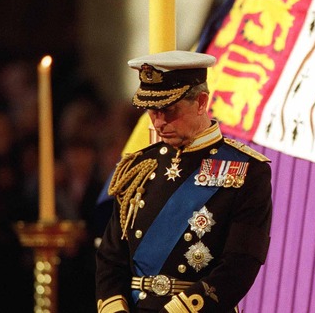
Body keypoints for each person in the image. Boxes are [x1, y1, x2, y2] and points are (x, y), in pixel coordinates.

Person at [95, 50, 272, 313]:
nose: (158, 121)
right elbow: (111, 256)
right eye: (151, 110)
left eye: (168, 110)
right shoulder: (138, 167)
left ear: (201, 102)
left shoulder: (247, 170)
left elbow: (240, 263)